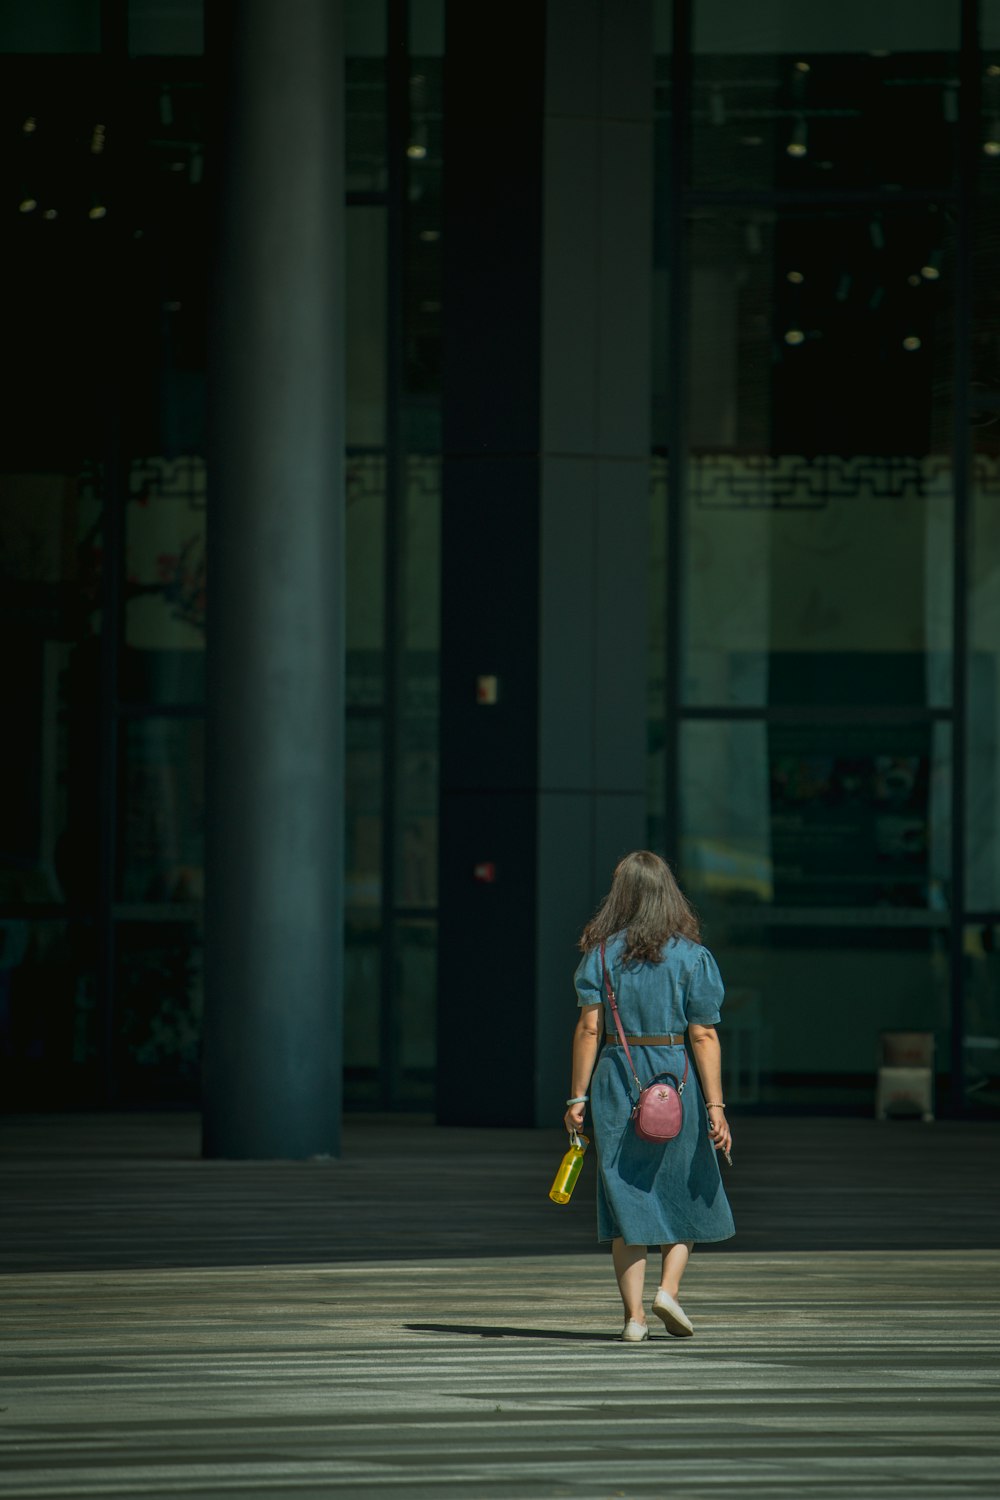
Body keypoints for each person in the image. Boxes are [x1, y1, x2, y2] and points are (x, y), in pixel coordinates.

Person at [564, 850, 735, 1342]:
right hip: (676, 1080)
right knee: (683, 1185)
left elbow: (589, 1027)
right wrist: (716, 1106)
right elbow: (704, 1035)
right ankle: (669, 1292)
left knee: (626, 1196)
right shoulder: (694, 957)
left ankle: (634, 1319)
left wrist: (576, 1098)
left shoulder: (599, 955)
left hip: (618, 1078)